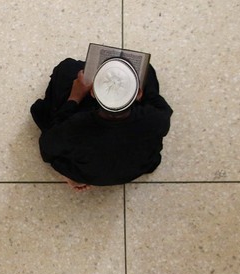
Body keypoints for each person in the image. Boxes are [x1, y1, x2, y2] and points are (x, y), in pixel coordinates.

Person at [30, 56, 172, 190]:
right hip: (135, 169)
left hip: (86, 172)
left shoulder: (75, 127)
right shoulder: (154, 119)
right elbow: (161, 107)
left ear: (92, 92)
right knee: (147, 70)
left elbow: (47, 149)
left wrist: (74, 97)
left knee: (67, 68)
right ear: (139, 94)